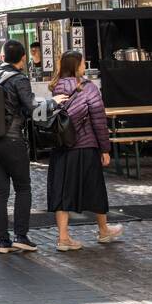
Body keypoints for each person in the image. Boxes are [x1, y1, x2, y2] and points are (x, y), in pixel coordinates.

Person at [0, 39, 58, 255]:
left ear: (2, 57)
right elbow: (34, 108)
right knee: (23, 187)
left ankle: (1, 241)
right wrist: (54, 102)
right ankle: (21, 236)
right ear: (23, 58)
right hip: (12, 140)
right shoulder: (19, 78)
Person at [47, 50, 122, 250]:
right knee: (95, 188)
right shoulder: (88, 88)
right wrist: (105, 148)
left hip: (62, 146)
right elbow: (98, 119)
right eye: (82, 63)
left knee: (62, 190)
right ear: (76, 65)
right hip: (86, 145)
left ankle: (63, 238)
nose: (84, 66)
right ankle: (104, 230)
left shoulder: (56, 87)